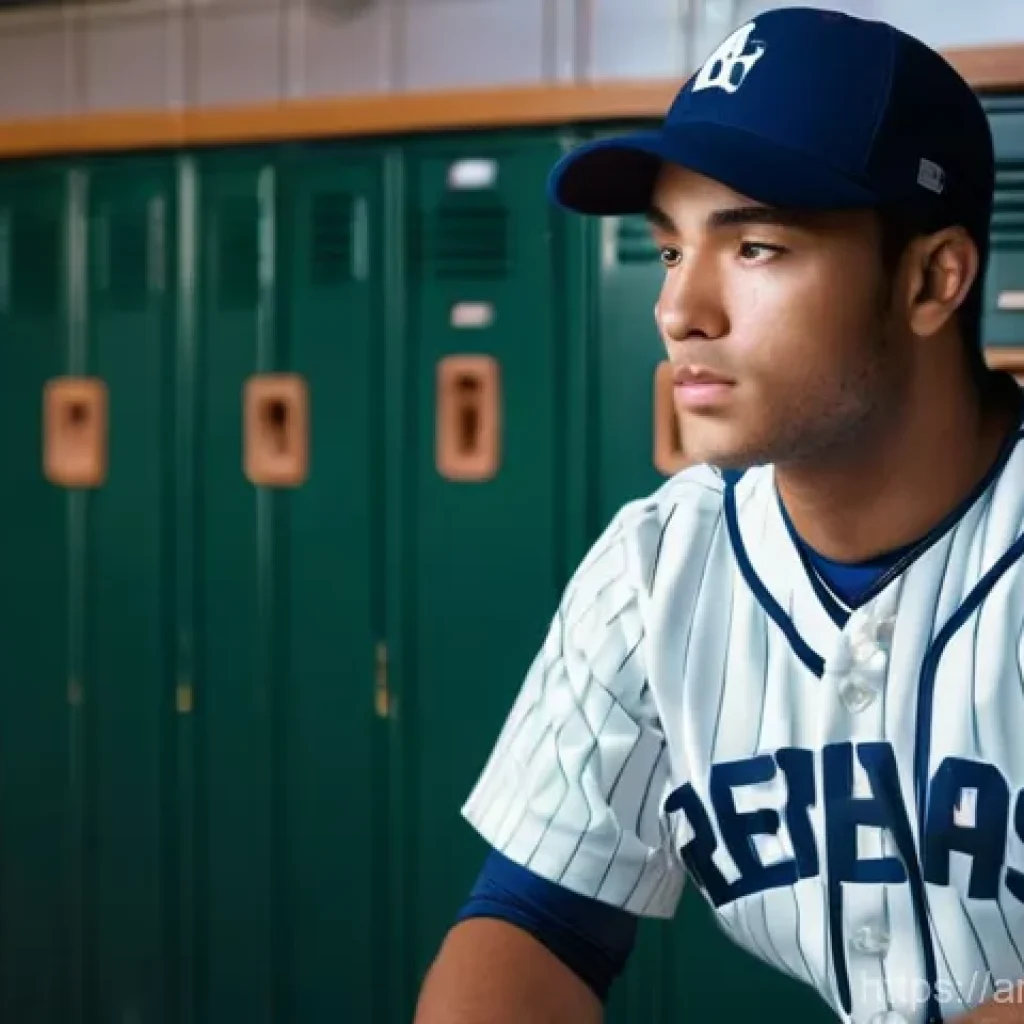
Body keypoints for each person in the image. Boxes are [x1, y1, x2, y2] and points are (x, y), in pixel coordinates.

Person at [414, 7, 1024, 1023]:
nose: (678, 311)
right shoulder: (658, 565)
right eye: (668, 251)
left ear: (932, 279)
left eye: (756, 247)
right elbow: (536, 922)